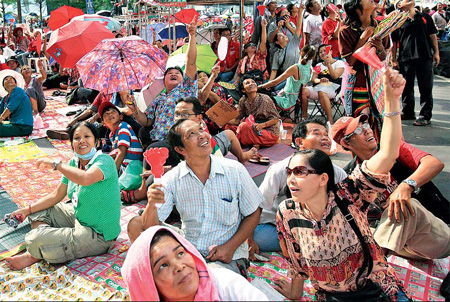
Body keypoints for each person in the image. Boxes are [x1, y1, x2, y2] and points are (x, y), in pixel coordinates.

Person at [275, 68, 411, 301]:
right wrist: (295, 295)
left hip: (374, 291)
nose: (291, 179)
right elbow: (296, 261)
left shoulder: (349, 195)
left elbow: (388, 154)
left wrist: (392, 100)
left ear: (323, 179)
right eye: (290, 173)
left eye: (300, 172)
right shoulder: (287, 212)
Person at [127, 119, 263, 276]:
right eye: (191, 134)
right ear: (180, 149)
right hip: (187, 251)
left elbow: (254, 212)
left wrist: (231, 247)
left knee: (210, 281)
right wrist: (151, 204)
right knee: (136, 223)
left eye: (201, 129)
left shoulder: (234, 170)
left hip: (227, 256)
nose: (202, 136)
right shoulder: (172, 178)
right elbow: (150, 227)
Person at [5, 122, 121, 270]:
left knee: (36, 238)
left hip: (100, 235)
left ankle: (35, 252)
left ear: (97, 142)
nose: (82, 141)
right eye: (77, 138)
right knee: (39, 210)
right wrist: (26, 210)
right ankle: (46, 243)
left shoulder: (105, 161)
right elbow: (57, 195)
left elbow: (86, 178)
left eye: (87, 136)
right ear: (72, 144)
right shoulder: (74, 163)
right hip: (79, 217)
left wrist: (57, 165)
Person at [332, 116, 450, 260]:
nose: (367, 131)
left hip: (435, 235)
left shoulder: (394, 149)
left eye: (366, 125)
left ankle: (373, 263)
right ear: (346, 142)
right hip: (403, 246)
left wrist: (406, 186)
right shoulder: (351, 174)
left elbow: (434, 163)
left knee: (404, 205)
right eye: (358, 129)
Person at [248, 117, 347, 259]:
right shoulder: (280, 169)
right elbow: (258, 204)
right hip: (275, 227)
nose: (324, 138)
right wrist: (249, 239)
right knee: (260, 238)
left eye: (326, 134)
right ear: (300, 142)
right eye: (317, 133)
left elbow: (347, 206)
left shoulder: (337, 173)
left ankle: (309, 244)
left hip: (317, 227)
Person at [122, 20, 198, 202]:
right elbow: (147, 121)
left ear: (183, 79)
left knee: (153, 148)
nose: (173, 73)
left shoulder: (185, 90)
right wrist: (134, 111)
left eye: (177, 73)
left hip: (176, 139)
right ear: (164, 80)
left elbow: (191, 62)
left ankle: (142, 189)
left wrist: (192, 36)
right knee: (141, 130)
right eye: (169, 73)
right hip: (157, 137)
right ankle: (152, 166)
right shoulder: (159, 97)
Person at [122, 226, 268, 301]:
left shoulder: (226, 285)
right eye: (163, 265)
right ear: (148, 286)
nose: (179, 266)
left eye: (180, 253)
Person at [339, 0, 389, 139]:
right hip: (358, 83)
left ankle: (378, 157)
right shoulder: (346, 31)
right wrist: (362, 40)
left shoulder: (381, 27)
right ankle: (361, 159)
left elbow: (385, 57)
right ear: (357, 9)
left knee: (379, 123)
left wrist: (380, 48)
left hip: (377, 82)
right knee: (361, 124)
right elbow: (350, 62)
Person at [392, 0, 439, 126]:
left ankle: (425, 115)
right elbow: (394, 42)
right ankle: (408, 112)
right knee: (406, 87)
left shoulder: (425, 17)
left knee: (426, 87)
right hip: (406, 58)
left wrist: (436, 52)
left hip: (425, 57)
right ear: (399, 5)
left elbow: (432, 35)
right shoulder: (398, 21)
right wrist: (393, 59)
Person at [175, 97, 256, 163]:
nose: (180, 118)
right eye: (177, 114)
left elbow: (215, 154)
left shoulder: (203, 132)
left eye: (185, 114)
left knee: (229, 133)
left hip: (210, 154)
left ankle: (242, 157)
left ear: (199, 118)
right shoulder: (176, 132)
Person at [227, 74, 280, 148]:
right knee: (228, 126)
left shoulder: (265, 99)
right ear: (243, 90)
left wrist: (262, 125)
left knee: (243, 126)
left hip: (268, 132)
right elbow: (237, 120)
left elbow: (276, 119)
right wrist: (223, 120)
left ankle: (237, 143)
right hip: (252, 128)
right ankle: (252, 142)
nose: (251, 84)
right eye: (247, 83)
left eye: (253, 82)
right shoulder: (243, 100)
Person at [260, 45, 315, 110]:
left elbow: (275, 82)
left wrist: (259, 87)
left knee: (260, 96)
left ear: (300, 52)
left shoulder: (295, 68)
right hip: (295, 99)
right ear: (313, 57)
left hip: (286, 100)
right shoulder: (310, 70)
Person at [301, 44, 345, 123]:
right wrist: (320, 80)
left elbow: (335, 76)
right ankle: (304, 118)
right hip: (319, 87)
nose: (323, 53)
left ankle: (329, 121)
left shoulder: (339, 63)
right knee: (304, 91)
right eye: (321, 52)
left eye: (325, 50)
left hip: (333, 89)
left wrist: (328, 65)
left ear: (331, 51)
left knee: (322, 91)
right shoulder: (319, 65)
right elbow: (314, 79)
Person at [99, 101, 143, 172]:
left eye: (113, 111)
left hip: (132, 169)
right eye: (106, 114)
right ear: (103, 123)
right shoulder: (111, 135)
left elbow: (122, 152)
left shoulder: (123, 127)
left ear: (121, 116)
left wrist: (112, 174)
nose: (110, 114)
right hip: (125, 168)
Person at [269, 5, 305, 91]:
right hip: (284, 76)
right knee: (274, 87)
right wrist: (269, 83)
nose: (285, 15)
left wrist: (299, 13)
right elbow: (274, 71)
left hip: (295, 76)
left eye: (287, 13)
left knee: (277, 88)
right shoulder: (277, 53)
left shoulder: (293, 43)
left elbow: (298, 30)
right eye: (283, 13)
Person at [235, 18, 269, 85]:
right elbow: (239, 75)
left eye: (254, 45)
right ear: (246, 50)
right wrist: (235, 82)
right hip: (247, 82)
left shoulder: (259, 55)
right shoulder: (242, 61)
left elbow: (263, 42)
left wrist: (264, 27)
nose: (253, 45)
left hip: (261, 81)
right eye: (250, 45)